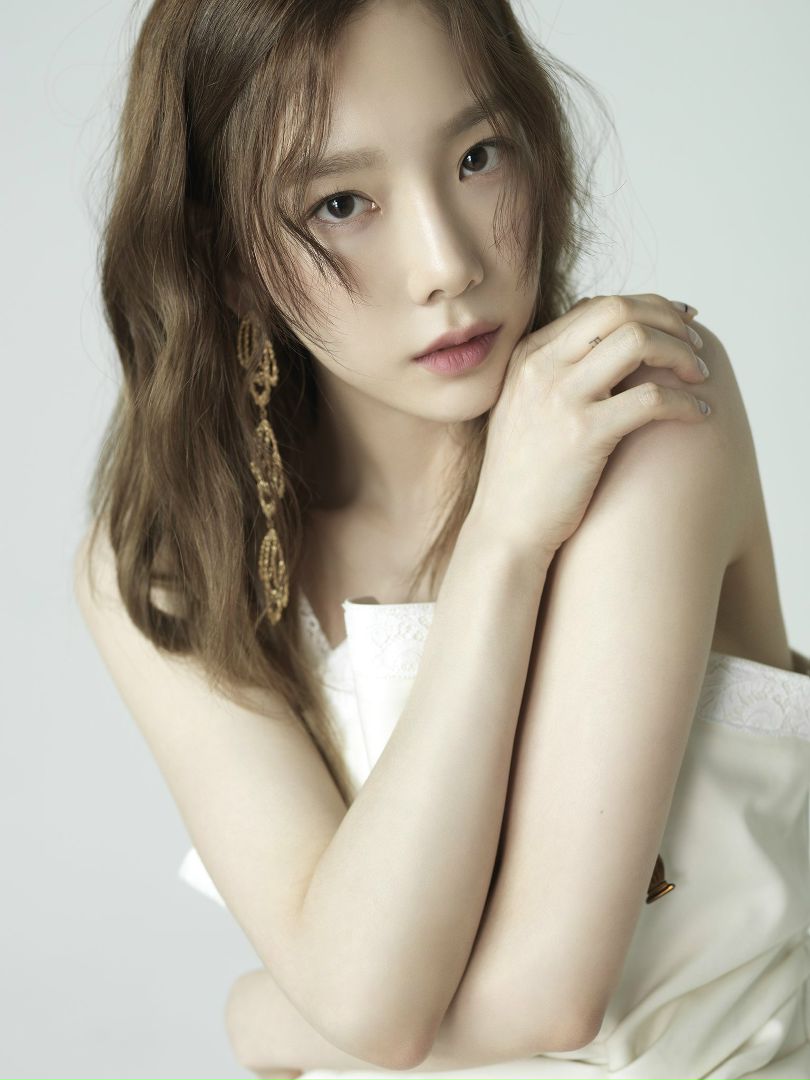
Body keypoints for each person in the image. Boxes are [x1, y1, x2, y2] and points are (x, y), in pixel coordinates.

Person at [73, 0, 810, 1077]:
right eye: (340, 203)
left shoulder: (640, 410)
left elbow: (545, 997)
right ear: (225, 257)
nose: (446, 262)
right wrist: (503, 540)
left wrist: (259, 1015)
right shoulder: (166, 560)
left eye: (477, 156)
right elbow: (368, 998)